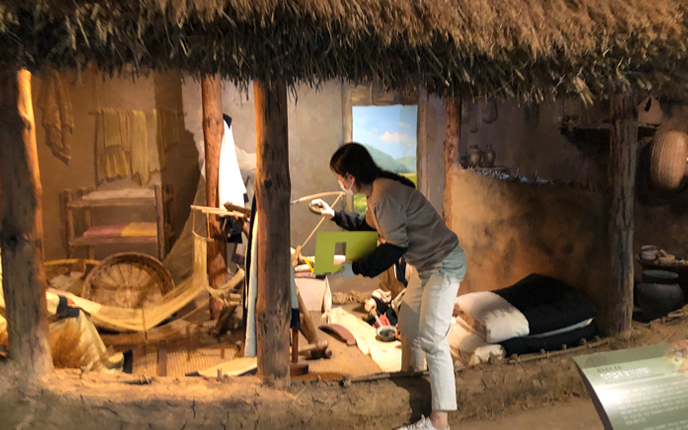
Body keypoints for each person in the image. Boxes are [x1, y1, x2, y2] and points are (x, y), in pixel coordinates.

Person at [310, 143, 466, 430]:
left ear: (350, 176)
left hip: (444, 263)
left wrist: (356, 267)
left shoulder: (384, 194)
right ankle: (411, 380)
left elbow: (395, 246)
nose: (339, 183)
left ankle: (439, 422)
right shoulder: (375, 193)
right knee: (408, 326)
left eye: (339, 177)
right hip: (425, 265)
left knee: (432, 338)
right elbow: (369, 224)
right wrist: (334, 215)